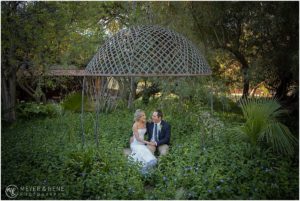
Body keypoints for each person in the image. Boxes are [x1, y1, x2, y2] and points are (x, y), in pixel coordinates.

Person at [129, 109, 157, 174]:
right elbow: (138, 138)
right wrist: (148, 142)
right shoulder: (135, 125)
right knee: (141, 150)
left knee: (144, 149)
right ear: (139, 117)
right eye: (143, 115)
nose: (145, 116)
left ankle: (149, 165)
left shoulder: (145, 122)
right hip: (135, 143)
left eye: (145, 115)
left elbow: (153, 122)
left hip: (142, 143)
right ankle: (143, 169)